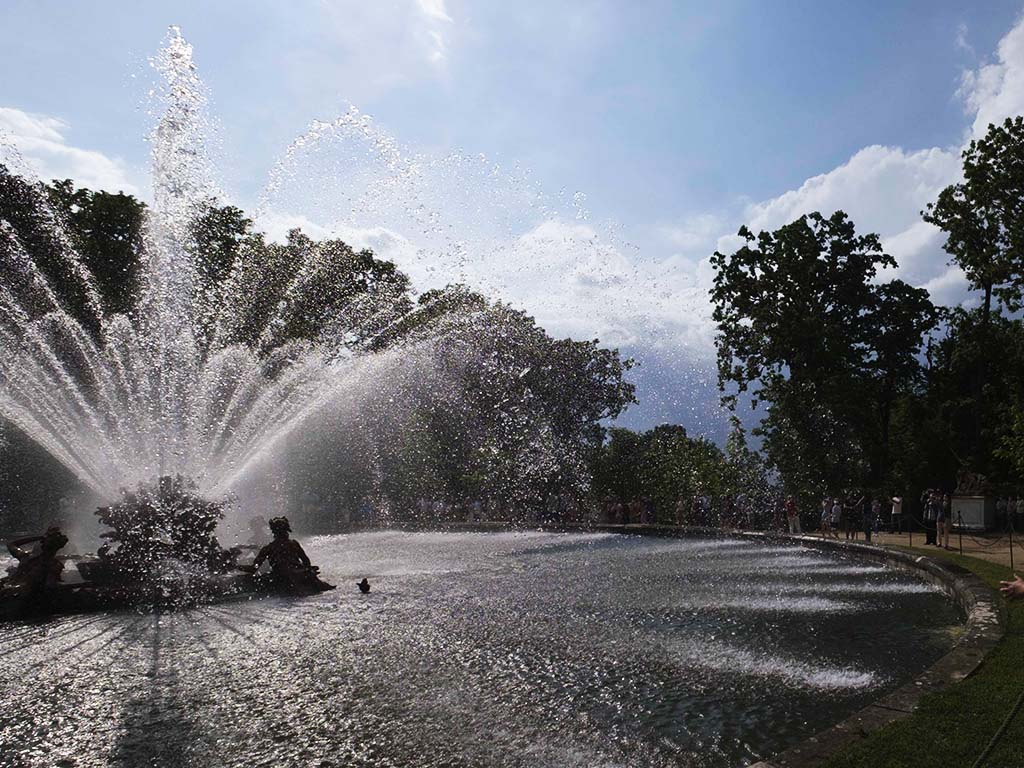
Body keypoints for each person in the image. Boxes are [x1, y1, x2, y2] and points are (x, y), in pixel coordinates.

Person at [244, 517, 335, 593]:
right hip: (300, 575)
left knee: (253, 579)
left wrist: (234, 566)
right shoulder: (294, 544)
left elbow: (252, 569)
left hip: (280, 579)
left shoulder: (268, 548)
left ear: (273, 532)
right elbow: (306, 561)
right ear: (286, 531)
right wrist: (308, 569)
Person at [3, 526, 70, 609]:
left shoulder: (27, 558)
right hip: (13, 595)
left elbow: (12, 544)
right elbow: (50, 588)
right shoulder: (28, 557)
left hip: (18, 600)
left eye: (48, 540)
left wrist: (38, 537)